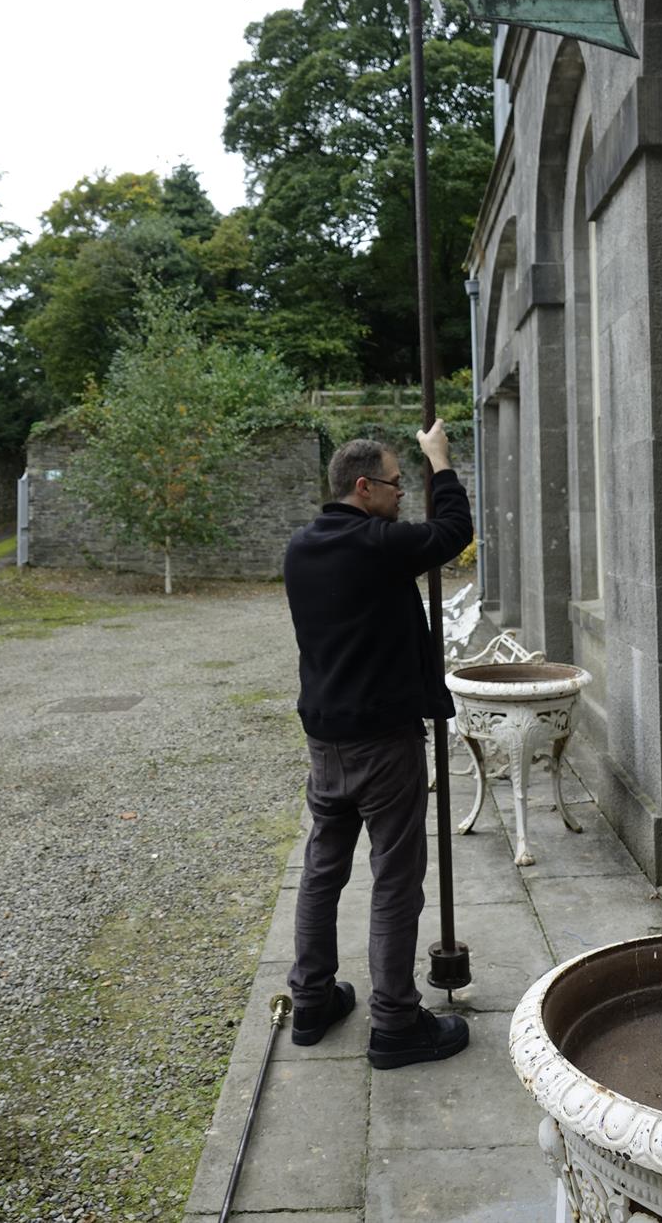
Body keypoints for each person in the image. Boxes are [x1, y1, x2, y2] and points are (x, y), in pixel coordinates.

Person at [283, 420, 473, 1069]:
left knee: (322, 870)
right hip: (382, 745)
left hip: (324, 743)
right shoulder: (373, 544)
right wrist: (439, 460)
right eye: (396, 486)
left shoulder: (301, 547)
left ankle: (311, 1000)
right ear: (363, 488)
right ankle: (395, 1024)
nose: (402, 498)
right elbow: (453, 534)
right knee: (396, 878)